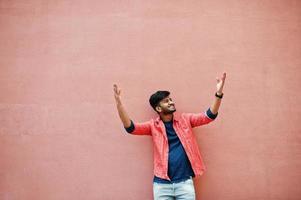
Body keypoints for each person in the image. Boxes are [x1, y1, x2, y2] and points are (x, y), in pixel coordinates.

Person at [113, 72, 226, 200]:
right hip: (161, 185)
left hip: (184, 184)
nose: (171, 102)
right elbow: (131, 128)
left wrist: (218, 94)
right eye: (166, 101)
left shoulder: (185, 120)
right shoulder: (152, 126)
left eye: (171, 99)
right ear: (159, 109)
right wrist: (119, 105)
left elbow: (209, 116)